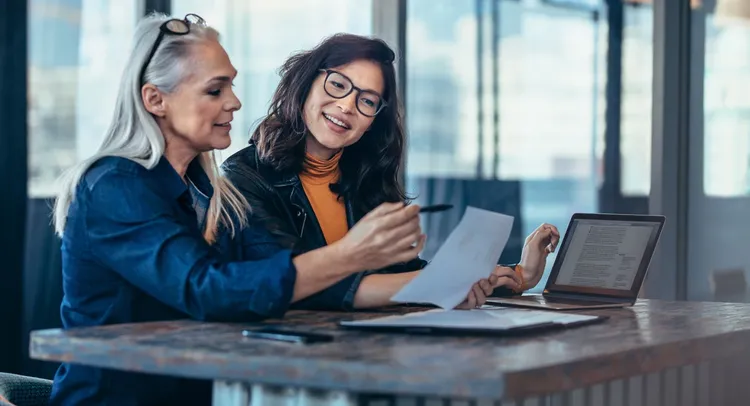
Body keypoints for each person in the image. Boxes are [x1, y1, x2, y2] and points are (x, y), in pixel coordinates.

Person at [49, 14, 499, 406]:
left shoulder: (206, 189)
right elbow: (208, 290)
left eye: (232, 84)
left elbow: (266, 281)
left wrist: (455, 282)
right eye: (215, 89)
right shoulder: (114, 185)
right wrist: (352, 254)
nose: (235, 102)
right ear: (155, 100)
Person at [221, 33, 561, 310]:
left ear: (373, 122)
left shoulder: (363, 178)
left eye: (367, 101)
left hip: (368, 352)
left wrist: (519, 275)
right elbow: (295, 283)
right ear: (306, 83)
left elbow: (402, 274)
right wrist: (441, 285)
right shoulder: (242, 177)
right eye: (338, 85)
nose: (347, 106)